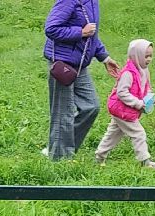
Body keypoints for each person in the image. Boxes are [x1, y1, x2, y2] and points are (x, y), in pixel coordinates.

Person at [43, 0, 122, 161]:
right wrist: (80, 32)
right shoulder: (68, 1)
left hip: (80, 65)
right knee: (63, 113)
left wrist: (104, 58)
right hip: (62, 64)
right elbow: (51, 28)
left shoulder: (92, 2)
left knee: (90, 106)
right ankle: (59, 160)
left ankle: (60, 149)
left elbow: (92, 35)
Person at [96, 39, 155, 168]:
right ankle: (145, 162)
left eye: (150, 56)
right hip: (121, 109)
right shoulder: (128, 73)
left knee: (113, 134)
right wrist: (138, 103)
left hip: (125, 110)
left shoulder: (143, 70)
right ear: (136, 56)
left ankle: (99, 157)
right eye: (146, 56)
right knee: (138, 133)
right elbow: (122, 93)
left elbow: (146, 87)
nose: (149, 59)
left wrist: (150, 97)